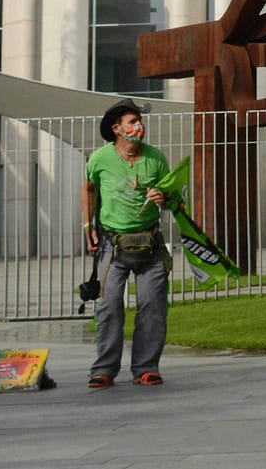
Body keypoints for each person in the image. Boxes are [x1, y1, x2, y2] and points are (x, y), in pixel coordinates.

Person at [82, 99, 172, 388]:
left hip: (150, 242)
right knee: (109, 306)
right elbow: (88, 189)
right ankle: (104, 369)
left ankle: (146, 367)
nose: (139, 126)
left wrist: (164, 198)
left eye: (140, 121)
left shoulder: (156, 159)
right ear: (117, 129)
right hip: (111, 245)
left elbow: (172, 197)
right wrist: (87, 226)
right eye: (132, 122)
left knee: (153, 305)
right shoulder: (100, 158)